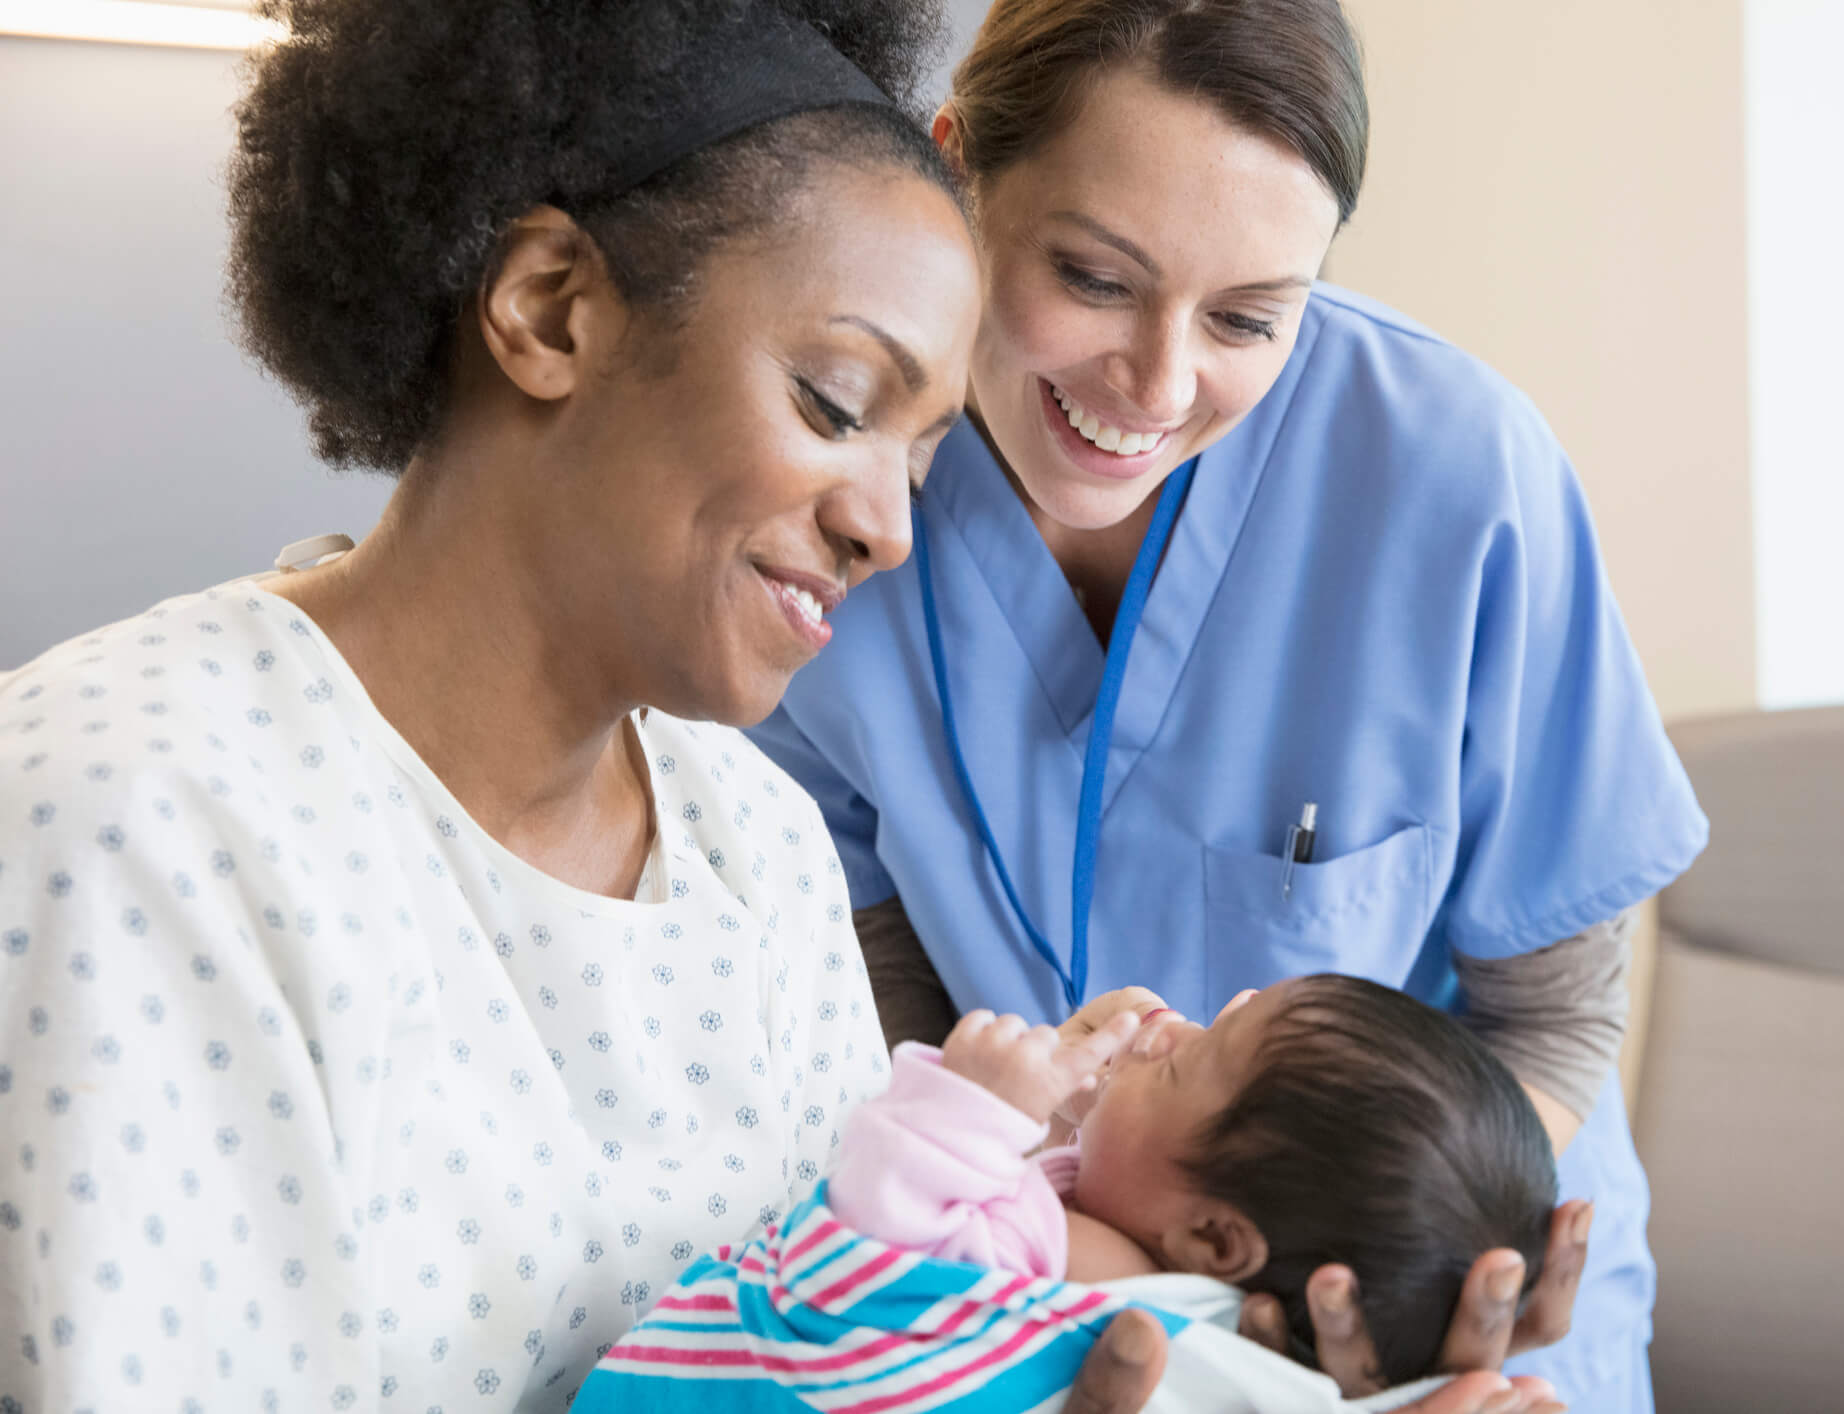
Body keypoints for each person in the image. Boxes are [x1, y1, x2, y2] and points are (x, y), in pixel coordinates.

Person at [0, 2, 1563, 1411]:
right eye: (835, 403)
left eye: (926, 448)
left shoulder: (752, 839)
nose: (888, 525)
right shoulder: (133, 816)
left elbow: (873, 1328)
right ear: (550, 309)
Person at [746, 2, 1709, 1409]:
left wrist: (1391, 1300)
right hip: (1016, 1288)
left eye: (1250, 317)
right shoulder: (819, 488)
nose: (1157, 382)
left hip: (1431, 1303)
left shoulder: (1453, 477)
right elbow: (877, 1017)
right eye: (1092, 275)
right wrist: (1084, 1283)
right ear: (955, 168)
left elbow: (1550, 1024)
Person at [838, 978, 1558, 1387]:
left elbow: (881, 1259)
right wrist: (1069, 1129)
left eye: (1185, 1064)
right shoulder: (1137, 1250)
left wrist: (970, 1107)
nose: (1167, 1028)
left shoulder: (1092, 1272)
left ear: (1212, 1240)